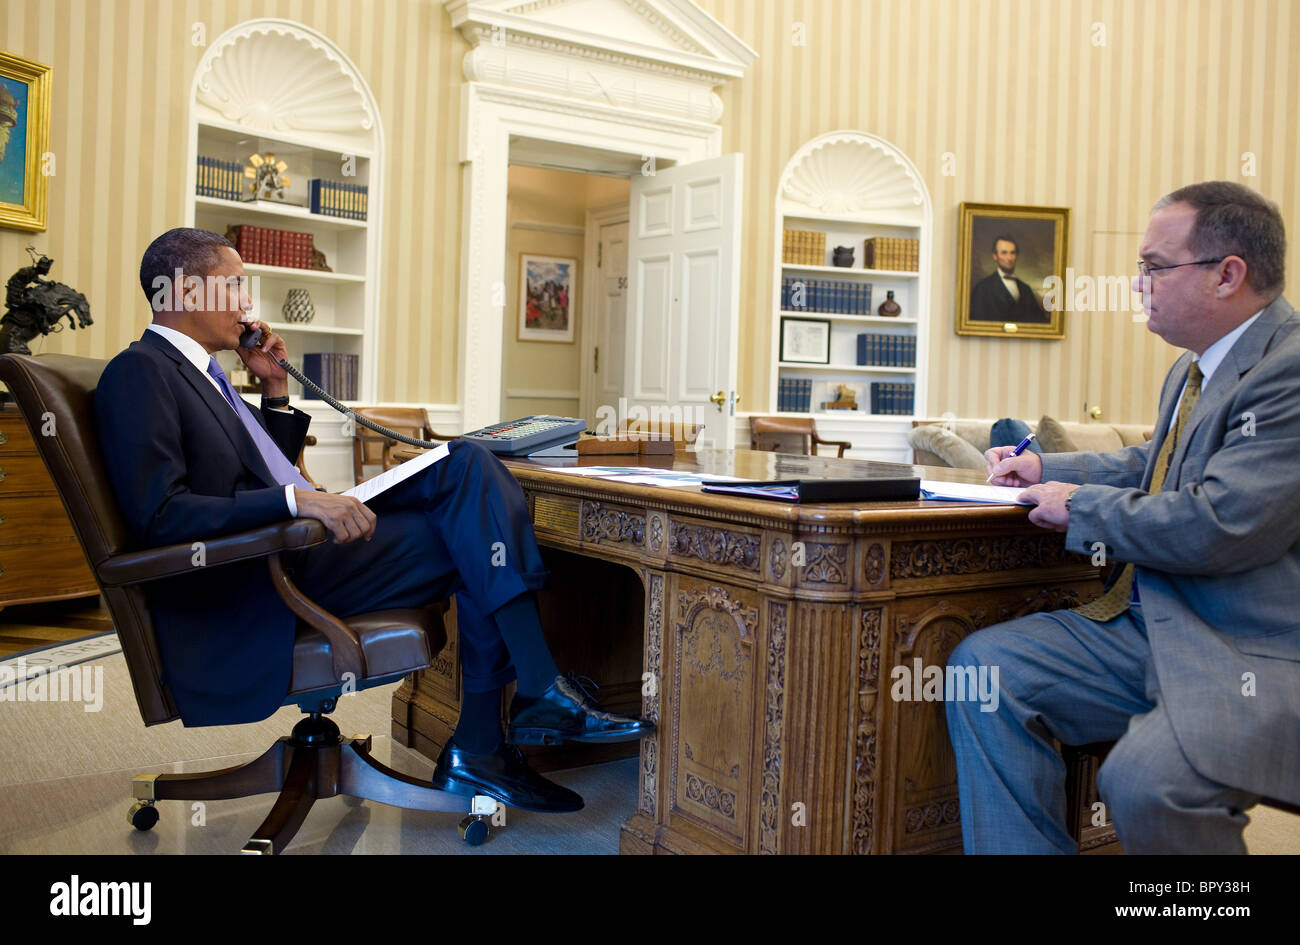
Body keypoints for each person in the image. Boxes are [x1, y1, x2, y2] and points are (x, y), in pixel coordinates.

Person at [95, 227, 653, 815]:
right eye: (233, 285)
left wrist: (277, 391)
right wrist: (297, 502)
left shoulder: (206, 373)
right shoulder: (141, 372)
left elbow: (253, 469)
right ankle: (509, 720)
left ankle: (502, 729)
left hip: (294, 548)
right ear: (184, 290)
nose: (245, 303)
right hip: (255, 578)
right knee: (471, 519)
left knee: (466, 470)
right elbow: (161, 515)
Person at [946, 181, 1300, 854]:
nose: (1138, 285)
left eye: (1154, 267)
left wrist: (1079, 505)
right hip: (1148, 625)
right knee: (982, 673)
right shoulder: (1192, 369)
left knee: (1144, 779)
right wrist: (1048, 470)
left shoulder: (1289, 372)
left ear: (1229, 275)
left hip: (1243, 649)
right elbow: (1156, 463)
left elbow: (1219, 523)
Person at [968, 235, 1049, 323]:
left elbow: (1039, 322)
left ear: (1016, 255)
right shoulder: (982, 288)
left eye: (1012, 253)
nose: (1009, 258)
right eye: (1004, 253)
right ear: (995, 256)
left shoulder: (1025, 289)